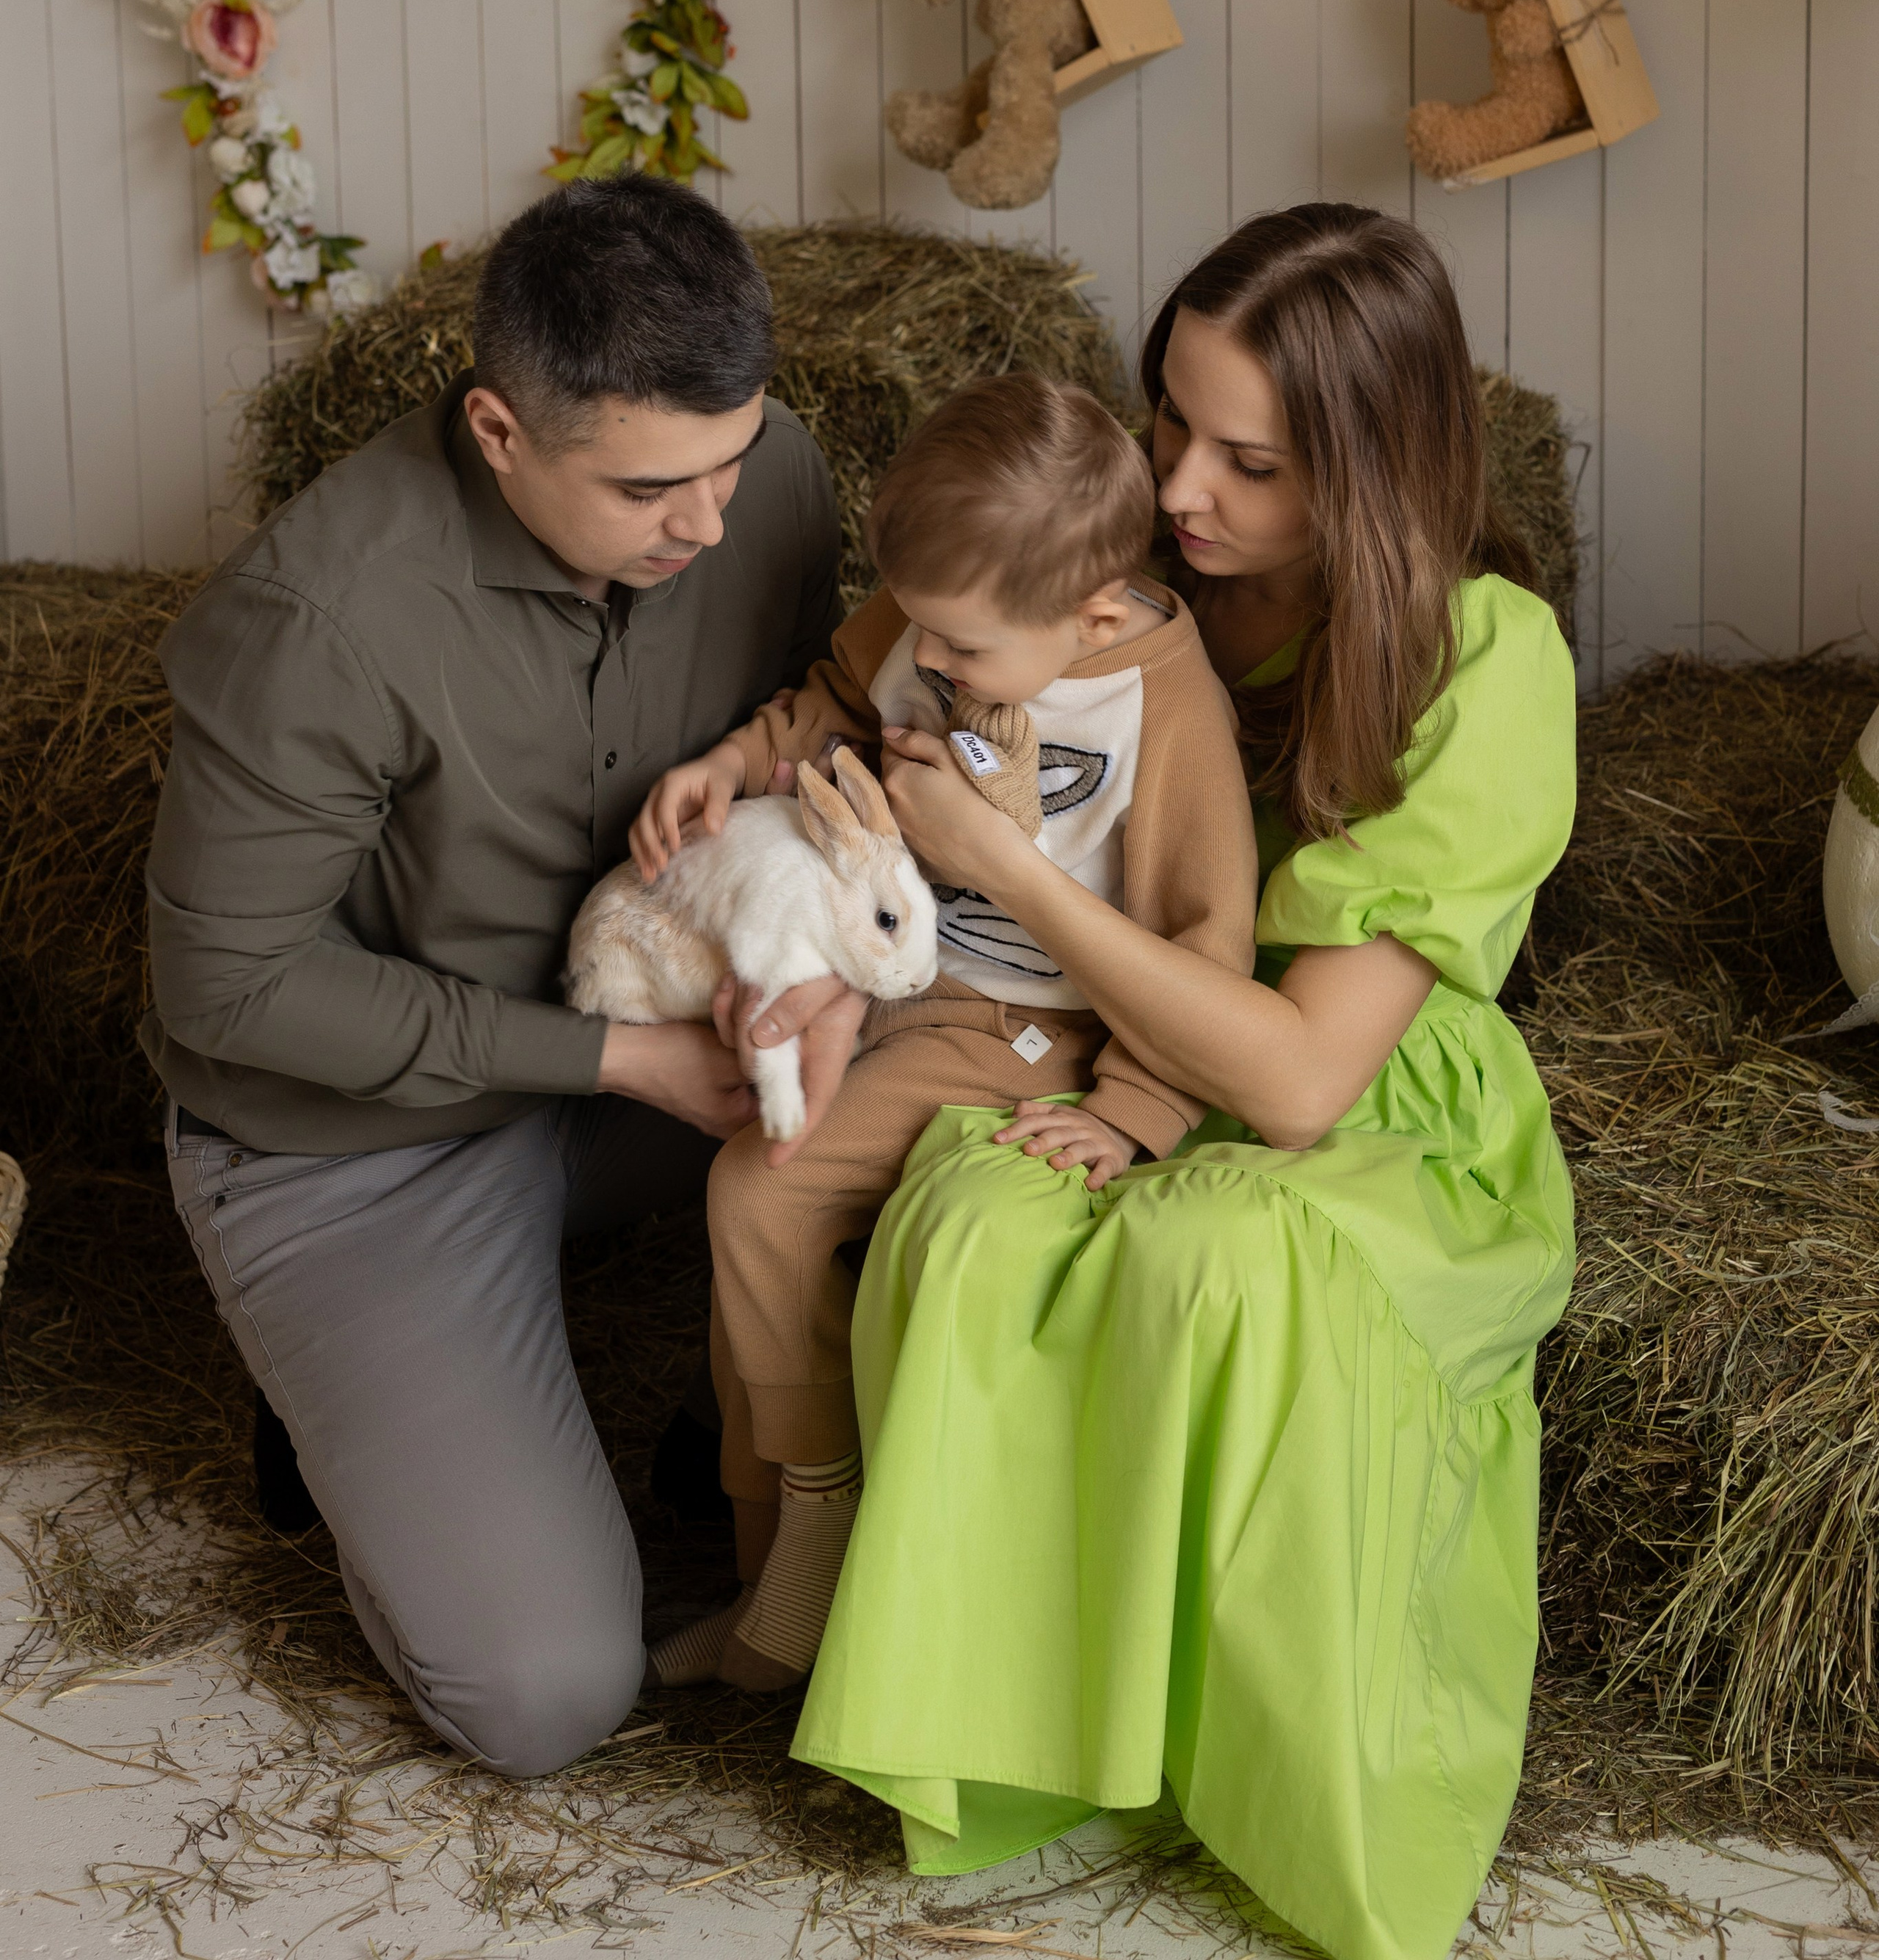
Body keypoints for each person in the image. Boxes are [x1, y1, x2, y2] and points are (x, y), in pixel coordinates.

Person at [789, 204, 1579, 1960]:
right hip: (1089, 1036)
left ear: (1371, 467)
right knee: (978, 1226)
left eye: (1251, 462)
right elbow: (874, 666)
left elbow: (1297, 1083)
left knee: (1214, 1253)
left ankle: (1255, 1776)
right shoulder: (1105, 563)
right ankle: (1023, 1746)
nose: (1182, 486)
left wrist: (1010, 870)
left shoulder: (1484, 654)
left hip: (1360, 1093)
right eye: (1168, 422)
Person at [145, 178, 856, 1779]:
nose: (711, 523)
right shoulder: (313, 617)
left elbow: (809, 745)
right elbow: (230, 994)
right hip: (355, 1139)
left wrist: (817, 987)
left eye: (735, 459)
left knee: (962, 1042)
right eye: (650, 487)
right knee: (546, 1696)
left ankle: (727, 1414)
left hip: (654, 1038)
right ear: (497, 430)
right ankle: (344, 1395)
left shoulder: (770, 478)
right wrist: (619, 1064)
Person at [632, 374, 1257, 1691]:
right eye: (916, 624)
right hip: (889, 965)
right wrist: (734, 767)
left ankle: (817, 1517)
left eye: (963, 649)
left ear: (1094, 613)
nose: (932, 659)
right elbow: (833, 698)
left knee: (762, 1187)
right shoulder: (947, 607)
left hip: (1024, 1020)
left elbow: (1205, 938)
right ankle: (762, 1576)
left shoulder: (1162, 707)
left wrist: (1134, 1111)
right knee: (736, 1158)